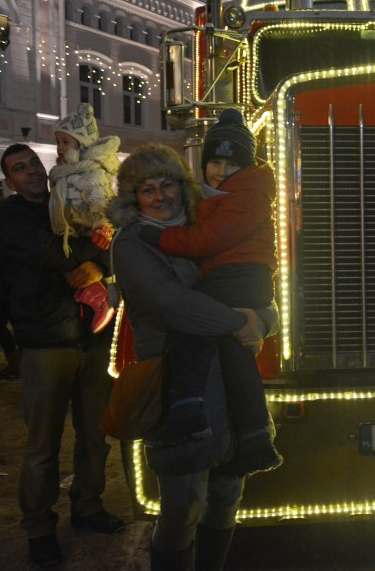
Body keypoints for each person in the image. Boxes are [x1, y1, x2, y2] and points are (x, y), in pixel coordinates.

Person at [106, 144, 278, 570]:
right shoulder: (133, 242)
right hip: (176, 384)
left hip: (228, 378)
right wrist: (240, 322)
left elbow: (254, 284)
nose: (159, 197)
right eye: (147, 189)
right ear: (133, 198)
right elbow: (171, 303)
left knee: (226, 496)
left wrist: (264, 320)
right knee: (183, 506)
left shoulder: (208, 228)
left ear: (181, 187)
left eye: (167, 185)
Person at [0, 144, 124, 567]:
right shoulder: (10, 217)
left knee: (94, 435)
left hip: (93, 337)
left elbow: (116, 243)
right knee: (42, 445)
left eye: (33, 163)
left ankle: (88, 505)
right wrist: (96, 254)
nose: (31, 171)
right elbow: (52, 253)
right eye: (19, 168)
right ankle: (39, 528)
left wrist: (100, 267)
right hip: (46, 341)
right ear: (10, 181)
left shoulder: (70, 202)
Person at [138, 110, 281, 477]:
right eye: (215, 162)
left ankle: (188, 410)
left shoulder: (245, 195)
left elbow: (209, 239)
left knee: (195, 330)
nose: (220, 171)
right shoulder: (220, 196)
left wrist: (161, 238)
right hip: (237, 277)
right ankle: (254, 438)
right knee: (235, 354)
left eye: (231, 164)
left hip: (237, 277)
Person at [49, 103, 119, 333]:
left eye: (65, 142)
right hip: (74, 231)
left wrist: (102, 225)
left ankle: (101, 300)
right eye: (58, 142)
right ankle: (94, 295)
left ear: (82, 144)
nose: (60, 147)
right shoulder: (66, 173)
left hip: (89, 232)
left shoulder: (89, 172)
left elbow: (100, 200)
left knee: (76, 265)